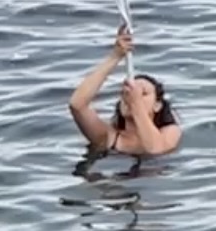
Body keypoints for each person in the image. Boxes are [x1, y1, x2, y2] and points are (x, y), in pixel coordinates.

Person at [68, 24, 181, 161]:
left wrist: (136, 105)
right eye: (125, 94)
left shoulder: (170, 132)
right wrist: (115, 56)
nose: (130, 97)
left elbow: (155, 150)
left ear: (157, 105)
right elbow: (77, 105)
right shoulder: (108, 137)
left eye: (143, 93)